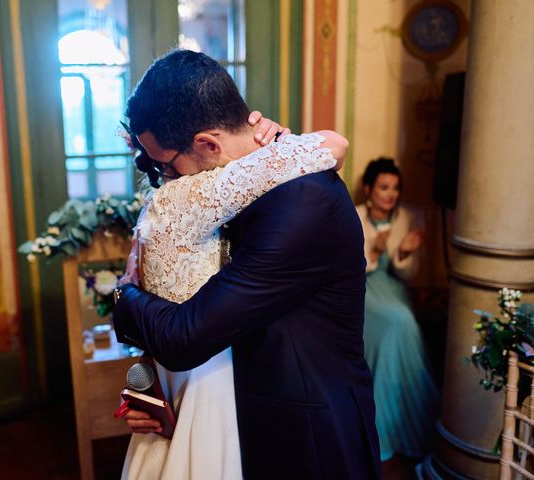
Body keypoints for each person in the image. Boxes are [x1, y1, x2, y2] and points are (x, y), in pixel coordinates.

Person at [113, 49, 381, 479]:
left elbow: (187, 334)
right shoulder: (234, 184)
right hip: (237, 420)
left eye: (167, 165)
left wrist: (123, 295)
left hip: (306, 437)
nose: (165, 180)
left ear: (207, 144)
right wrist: (154, 387)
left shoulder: (304, 202)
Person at [355, 157, 439, 463]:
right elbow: (345, 269)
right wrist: (374, 251)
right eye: (384, 187)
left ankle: (411, 420)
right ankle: (382, 430)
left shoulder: (408, 218)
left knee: (403, 321)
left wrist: (403, 253)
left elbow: (412, 276)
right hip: (364, 292)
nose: (391, 194)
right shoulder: (354, 217)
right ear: (368, 188)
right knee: (399, 321)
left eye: (396, 188)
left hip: (395, 291)